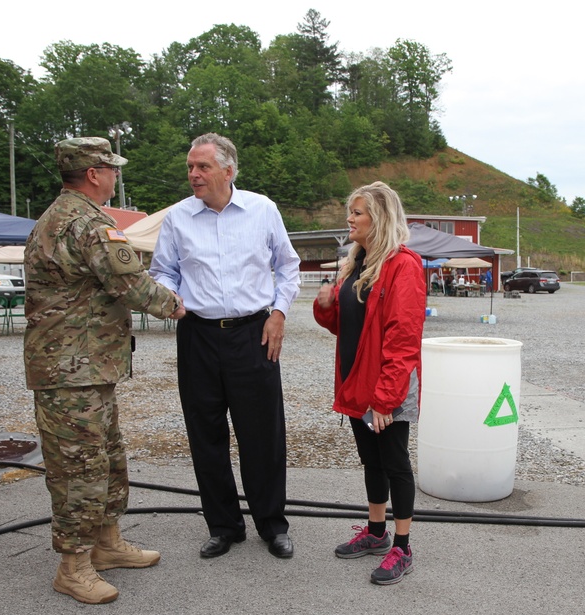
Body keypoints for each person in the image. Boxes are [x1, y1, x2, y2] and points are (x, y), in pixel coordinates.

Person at [23, 137, 181, 605]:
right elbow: (132, 285)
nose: (115, 176)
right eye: (111, 168)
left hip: (85, 367)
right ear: (94, 173)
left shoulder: (57, 217)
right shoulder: (87, 223)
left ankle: (107, 544)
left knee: (107, 456)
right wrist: (182, 306)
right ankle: (72, 566)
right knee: (79, 468)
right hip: (72, 370)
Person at [150, 133, 300, 560]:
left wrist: (279, 313)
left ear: (228, 171)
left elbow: (288, 268)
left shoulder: (262, 210)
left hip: (254, 332)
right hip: (197, 334)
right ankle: (223, 526)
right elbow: (164, 270)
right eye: (190, 168)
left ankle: (272, 525)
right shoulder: (178, 218)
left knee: (263, 434)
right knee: (206, 434)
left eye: (202, 167)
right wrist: (168, 296)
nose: (194, 175)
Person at [313, 181, 425, 585]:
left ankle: (403, 546)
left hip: (388, 388)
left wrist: (386, 400)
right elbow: (348, 326)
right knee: (371, 461)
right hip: (359, 383)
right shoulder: (356, 263)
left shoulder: (403, 265)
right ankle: (376, 532)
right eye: (351, 211)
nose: (350, 218)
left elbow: (403, 339)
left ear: (378, 218)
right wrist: (326, 306)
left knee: (395, 463)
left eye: (357, 212)